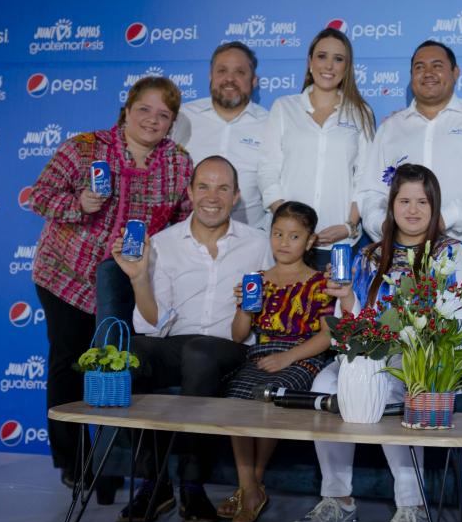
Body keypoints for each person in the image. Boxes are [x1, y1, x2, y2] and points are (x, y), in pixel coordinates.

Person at [293, 164, 462, 522]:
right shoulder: (368, 256)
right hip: (369, 357)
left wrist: (414, 347)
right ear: (391, 205)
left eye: (422, 202)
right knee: (325, 386)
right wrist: (346, 299)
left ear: (434, 205)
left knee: (391, 386)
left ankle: (414, 509)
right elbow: (349, 328)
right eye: (404, 200)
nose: (413, 210)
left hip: (425, 362)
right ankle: (338, 501)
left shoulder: (452, 254)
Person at [30, 76, 192, 493]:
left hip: (129, 281)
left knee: (121, 369)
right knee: (69, 363)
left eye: (163, 115)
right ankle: (74, 461)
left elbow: (181, 220)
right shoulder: (84, 147)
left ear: (171, 122)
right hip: (67, 276)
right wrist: (77, 203)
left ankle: (116, 459)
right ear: (126, 109)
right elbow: (40, 196)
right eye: (145, 109)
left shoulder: (178, 162)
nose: (152, 120)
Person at [111, 155, 273, 522]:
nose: (211, 196)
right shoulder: (165, 243)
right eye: (203, 186)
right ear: (189, 192)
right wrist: (138, 278)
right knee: (131, 354)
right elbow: (155, 323)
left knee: (200, 354)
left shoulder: (258, 244)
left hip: (227, 345)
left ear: (235, 197)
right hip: (174, 339)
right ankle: (155, 483)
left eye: (222, 188)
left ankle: (192, 483)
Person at [357, 40, 462, 286]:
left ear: (455, 72)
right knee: (397, 324)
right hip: (398, 256)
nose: (428, 73)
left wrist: (445, 217)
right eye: (419, 67)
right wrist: (384, 225)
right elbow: (370, 191)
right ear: (411, 76)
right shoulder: (391, 128)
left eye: (437, 65)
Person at [220, 201, 335, 522]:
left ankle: (250, 489)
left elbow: (327, 337)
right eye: (278, 234)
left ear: (310, 241)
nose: (284, 242)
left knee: (268, 394)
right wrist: (243, 307)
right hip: (261, 354)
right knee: (236, 400)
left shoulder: (319, 282)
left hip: (302, 356)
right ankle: (251, 488)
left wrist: (288, 357)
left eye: (294, 236)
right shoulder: (257, 280)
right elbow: (239, 334)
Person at [258, 28, 375, 270]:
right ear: (310, 62)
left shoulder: (361, 113)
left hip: (340, 244)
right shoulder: (284, 108)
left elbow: (366, 178)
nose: (329, 65)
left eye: (338, 59)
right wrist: (292, 225)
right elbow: (268, 170)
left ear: (347, 67)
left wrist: (348, 226)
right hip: (288, 244)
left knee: (334, 308)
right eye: (322, 56)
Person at [171, 41, 271, 229]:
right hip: (187, 239)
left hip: (252, 237)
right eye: (222, 71)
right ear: (210, 76)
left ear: (254, 81)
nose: (229, 79)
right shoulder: (183, 117)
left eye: (240, 72)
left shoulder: (271, 123)